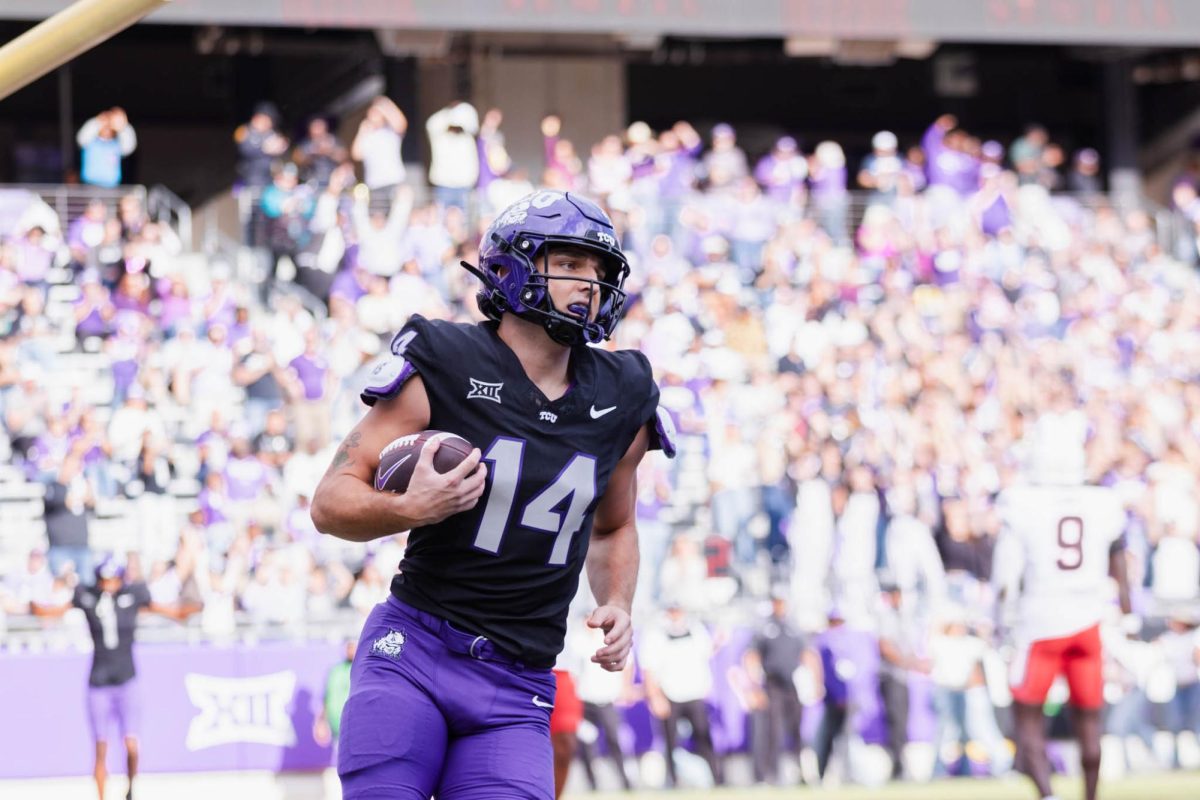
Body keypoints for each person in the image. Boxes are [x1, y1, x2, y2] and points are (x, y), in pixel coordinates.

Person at [311, 189, 674, 800]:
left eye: (599, 271)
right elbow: (329, 500)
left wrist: (617, 599)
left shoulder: (624, 390)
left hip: (518, 683)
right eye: (571, 264)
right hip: (415, 654)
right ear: (514, 266)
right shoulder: (447, 358)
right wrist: (406, 509)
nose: (589, 284)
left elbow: (612, 526)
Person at [992, 422, 1132, 800]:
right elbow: (1118, 557)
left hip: (1040, 622)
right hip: (1088, 621)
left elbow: (1005, 574)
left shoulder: (1020, 502)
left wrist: (1000, 622)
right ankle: (1090, 795)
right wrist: (1128, 611)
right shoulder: (1101, 501)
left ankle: (1048, 795)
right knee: (1090, 720)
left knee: (1027, 717)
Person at [32, 555, 200, 800]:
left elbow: (169, 610)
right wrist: (34, 607)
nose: (109, 585)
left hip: (126, 680)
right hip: (99, 683)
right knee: (101, 747)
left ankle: (131, 789)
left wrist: (190, 609)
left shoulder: (132, 597)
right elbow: (53, 611)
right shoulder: (88, 598)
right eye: (105, 580)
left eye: (113, 580)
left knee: (131, 744)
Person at [77, 107, 137, 188]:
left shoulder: (116, 144)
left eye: (110, 125)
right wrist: (99, 120)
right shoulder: (90, 142)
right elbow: (82, 137)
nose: (107, 127)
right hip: (90, 186)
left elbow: (130, 146)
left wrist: (123, 125)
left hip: (111, 188)